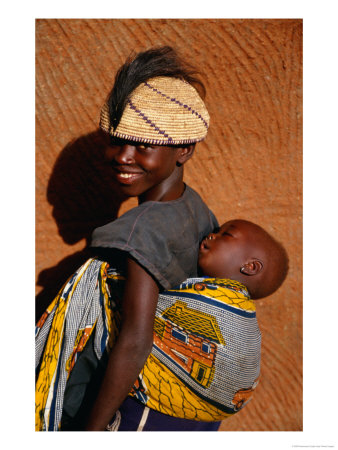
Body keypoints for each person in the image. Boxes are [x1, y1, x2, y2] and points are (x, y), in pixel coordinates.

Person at [35, 46, 218, 432]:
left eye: (142, 145)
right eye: (117, 141)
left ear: (183, 149)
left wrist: (92, 430)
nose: (123, 156)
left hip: (127, 410)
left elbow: (135, 341)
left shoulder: (142, 229)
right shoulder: (194, 207)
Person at [109, 219, 288, 430]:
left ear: (250, 266)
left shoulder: (218, 312)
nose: (211, 236)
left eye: (226, 235)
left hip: (153, 413)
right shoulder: (195, 289)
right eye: (217, 231)